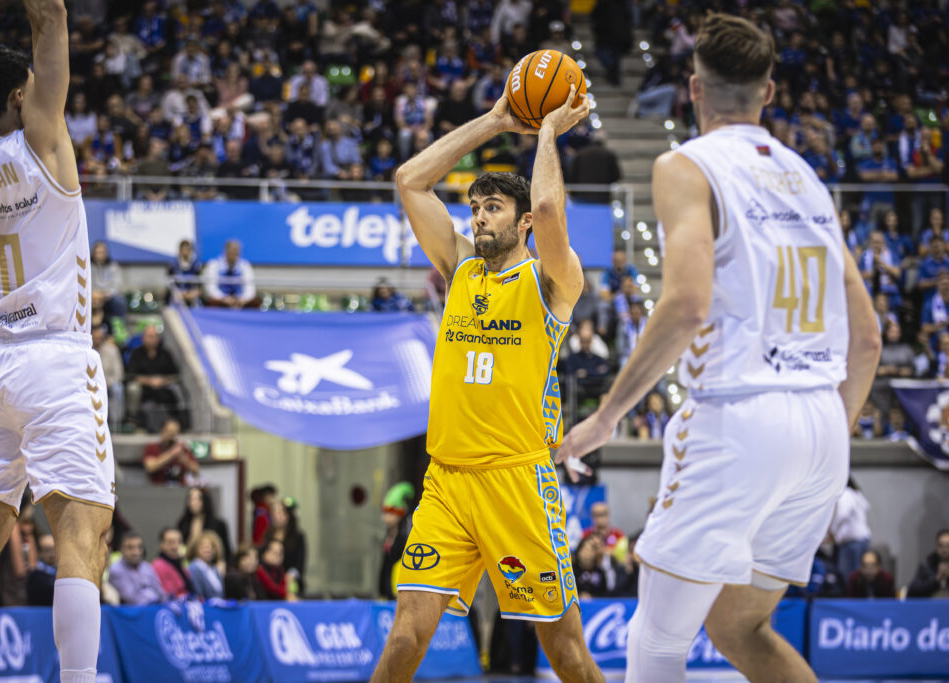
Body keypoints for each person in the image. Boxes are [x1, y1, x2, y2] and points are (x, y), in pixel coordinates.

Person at [556, 14, 881, 682]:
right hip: (824, 420)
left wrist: (608, 415)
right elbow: (869, 336)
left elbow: (687, 305)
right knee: (740, 627)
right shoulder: (810, 179)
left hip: (741, 415)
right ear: (769, 92)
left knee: (656, 638)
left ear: (694, 89)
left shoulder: (687, 165)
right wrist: (825, 434)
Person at [372, 74, 599, 681]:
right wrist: (497, 119)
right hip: (447, 480)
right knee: (405, 639)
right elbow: (409, 180)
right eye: (474, 208)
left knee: (566, 653)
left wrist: (547, 131)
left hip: (517, 480)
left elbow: (548, 208)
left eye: (492, 208)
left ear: (523, 225)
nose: (478, 218)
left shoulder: (551, 282)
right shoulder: (460, 270)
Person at [0, 2, 117, 682]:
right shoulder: (44, 144)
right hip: (56, 359)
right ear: (19, 95)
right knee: (82, 537)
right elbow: (50, 17)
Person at [126, 325, 184, 431]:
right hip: (144, 388)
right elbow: (131, 375)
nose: (152, 340)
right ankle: (133, 418)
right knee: (133, 388)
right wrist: (149, 381)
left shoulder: (165, 354)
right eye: (150, 336)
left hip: (163, 388)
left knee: (176, 389)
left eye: (155, 336)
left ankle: (179, 418)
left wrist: (162, 381)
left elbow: (175, 375)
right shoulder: (136, 354)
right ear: (143, 338)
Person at [829, 479, 871, 583]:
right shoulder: (856, 494)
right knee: (858, 577)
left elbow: (842, 514)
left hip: (852, 542)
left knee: (847, 578)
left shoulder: (846, 493)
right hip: (862, 539)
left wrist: (831, 531)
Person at [108, 531, 166, 606]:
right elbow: (132, 599)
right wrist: (153, 597)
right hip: (132, 611)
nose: (136, 552)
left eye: (139, 547)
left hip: (153, 608)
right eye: (130, 548)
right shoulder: (116, 569)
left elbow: (160, 593)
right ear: (121, 549)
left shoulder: (146, 566)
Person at [177, 486, 231, 564]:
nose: (194, 503)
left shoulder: (218, 524)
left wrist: (222, 563)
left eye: (198, 499)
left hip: (211, 565)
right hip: (188, 564)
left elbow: (226, 551)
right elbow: (179, 547)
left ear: (205, 500)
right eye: (191, 499)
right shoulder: (182, 524)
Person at [379, 482, 413, 601]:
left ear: (401, 512)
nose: (386, 516)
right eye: (385, 511)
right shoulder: (388, 535)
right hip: (387, 590)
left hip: (398, 590)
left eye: (391, 511)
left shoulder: (404, 536)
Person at [142, 419, 199, 485]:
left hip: (179, 486)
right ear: (162, 431)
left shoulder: (182, 448)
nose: (171, 435)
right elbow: (150, 467)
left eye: (174, 432)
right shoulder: (152, 447)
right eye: (169, 431)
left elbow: (196, 471)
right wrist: (172, 453)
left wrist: (185, 460)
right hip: (159, 486)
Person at [151, 527, 193, 600]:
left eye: (179, 542)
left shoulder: (181, 562)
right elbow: (169, 594)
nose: (176, 546)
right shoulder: (158, 565)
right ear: (162, 545)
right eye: (171, 542)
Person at [907, 529, 949, 598]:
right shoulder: (926, 567)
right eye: (941, 545)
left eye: (948, 546)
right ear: (937, 547)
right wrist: (936, 580)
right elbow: (912, 593)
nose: (944, 550)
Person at [186, 530, 224, 600]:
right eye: (204, 547)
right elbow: (198, 594)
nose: (208, 550)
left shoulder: (214, 569)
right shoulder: (194, 568)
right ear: (195, 549)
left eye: (212, 547)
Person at [168, 239, 202, 306]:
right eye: (183, 249)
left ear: (191, 251)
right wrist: (179, 294)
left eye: (187, 249)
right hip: (177, 295)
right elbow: (170, 284)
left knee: (198, 304)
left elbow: (199, 287)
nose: (185, 252)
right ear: (179, 251)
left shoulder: (196, 266)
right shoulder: (173, 266)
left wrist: (191, 294)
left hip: (192, 296)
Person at [26, 533, 57, 606]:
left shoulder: (58, 570)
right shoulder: (35, 575)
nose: (52, 554)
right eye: (47, 550)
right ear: (39, 552)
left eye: (54, 549)